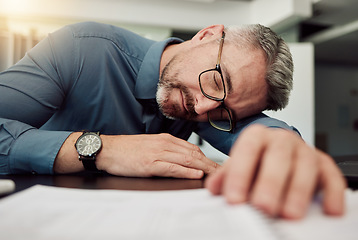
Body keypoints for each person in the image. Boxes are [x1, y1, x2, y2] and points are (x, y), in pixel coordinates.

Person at [0, 22, 345, 219]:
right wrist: (101, 149)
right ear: (207, 34)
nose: (201, 110)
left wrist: (283, 144)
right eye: (216, 80)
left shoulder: (207, 104)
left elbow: (257, 131)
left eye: (222, 111)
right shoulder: (78, 49)